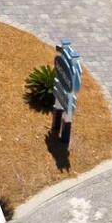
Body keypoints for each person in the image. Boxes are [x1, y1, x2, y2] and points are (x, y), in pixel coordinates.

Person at [49, 38, 81, 169]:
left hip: (65, 95)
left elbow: (74, 85)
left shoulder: (70, 73)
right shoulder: (63, 66)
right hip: (62, 93)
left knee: (65, 104)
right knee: (61, 99)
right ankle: (57, 128)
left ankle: (59, 131)